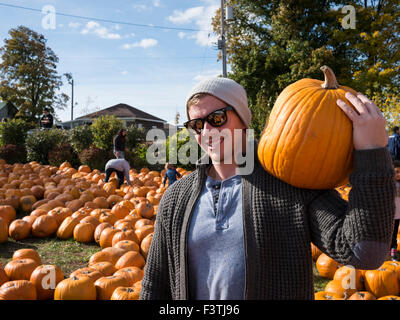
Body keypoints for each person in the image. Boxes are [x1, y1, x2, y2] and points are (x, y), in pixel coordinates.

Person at [140, 77, 395, 300]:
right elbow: (155, 284)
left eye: (217, 118)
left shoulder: (290, 181)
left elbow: (363, 251)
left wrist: (371, 152)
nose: (207, 130)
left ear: (243, 120)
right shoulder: (175, 197)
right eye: (196, 124)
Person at [391, 160, 400, 261]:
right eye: (397, 172)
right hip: (392, 215)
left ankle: (393, 249)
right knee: (392, 234)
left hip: (398, 214)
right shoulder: (389, 185)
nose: (399, 174)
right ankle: (392, 252)